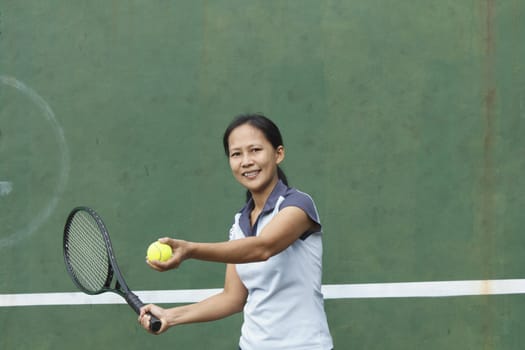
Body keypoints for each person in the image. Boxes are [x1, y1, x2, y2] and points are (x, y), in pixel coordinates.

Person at [139, 114, 334, 350]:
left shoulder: (298, 206)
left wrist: (190, 250)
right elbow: (232, 297)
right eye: (236, 154)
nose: (246, 161)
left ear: (278, 154)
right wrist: (171, 316)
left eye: (255, 150)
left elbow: (263, 248)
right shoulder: (239, 223)